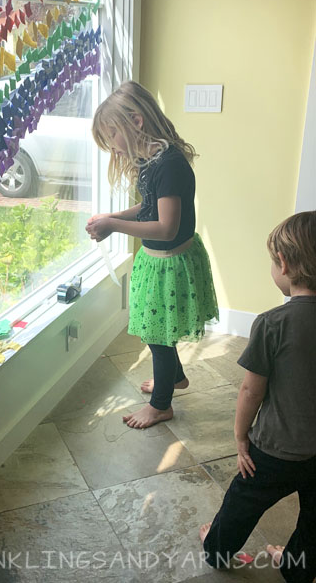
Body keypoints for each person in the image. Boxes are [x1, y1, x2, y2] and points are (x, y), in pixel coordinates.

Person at [86, 80, 219, 428]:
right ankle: (173, 379)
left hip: (170, 264)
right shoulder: (151, 159)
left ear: (136, 122)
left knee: (159, 335)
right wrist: (111, 217)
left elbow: (166, 228)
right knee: (154, 326)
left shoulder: (169, 164)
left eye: (112, 134)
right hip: (156, 261)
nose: (112, 146)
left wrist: (114, 227)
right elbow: (149, 207)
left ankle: (162, 405)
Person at [200, 211, 316, 582]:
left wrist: (240, 437)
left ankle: (217, 547)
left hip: (273, 450)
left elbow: (251, 389)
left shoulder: (271, 324)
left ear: (283, 263)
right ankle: (299, 567)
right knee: (314, 520)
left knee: (241, 503)